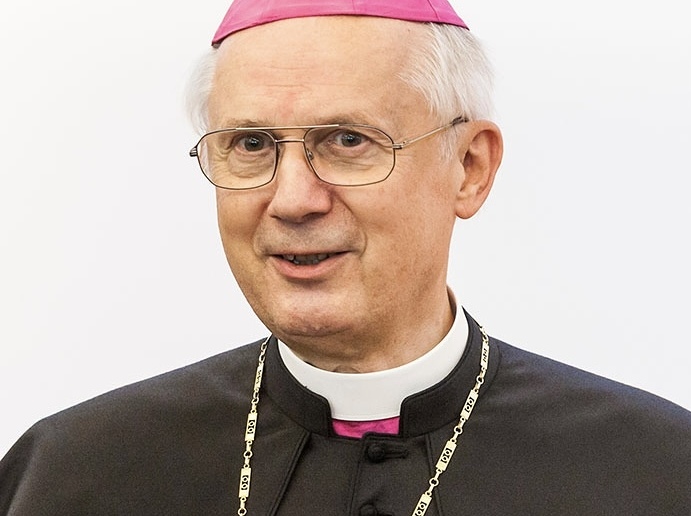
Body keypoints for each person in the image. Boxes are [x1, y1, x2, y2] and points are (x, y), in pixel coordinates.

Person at [1, 0, 690, 514]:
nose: (292, 200)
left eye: (347, 141)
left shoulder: (654, 473)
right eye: (250, 145)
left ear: (469, 168)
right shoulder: (72, 474)